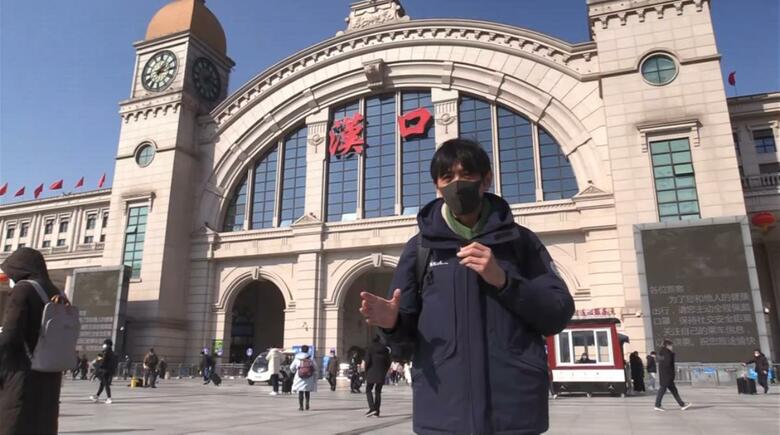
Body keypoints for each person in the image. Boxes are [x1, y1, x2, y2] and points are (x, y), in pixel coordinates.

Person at [359, 138, 574, 434]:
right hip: (443, 415)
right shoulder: (420, 249)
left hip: (514, 416)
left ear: (486, 179)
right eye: (448, 177)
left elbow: (557, 313)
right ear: (437, 186)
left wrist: (504, 281)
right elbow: (405, 347)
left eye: (467, 175)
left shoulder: (520, 242)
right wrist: (392, 323)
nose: (457, 184)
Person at [0, 248, 67, 434]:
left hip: (22, 374)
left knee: (15, 423)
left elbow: (10, 337)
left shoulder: (23, 289)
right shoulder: (55, 291)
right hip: (49, 373)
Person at [654, 340, 692, 411]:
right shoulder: (667, 353)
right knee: (663, 389)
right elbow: (668, 364)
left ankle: (682, 404)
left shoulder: (661, 353)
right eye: (671, 345)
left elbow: (662, 363)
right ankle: (657, 405)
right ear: (668, 345)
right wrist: (671, 374)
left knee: (673, 390)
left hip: (664, 375)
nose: (672, 347)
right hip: (667, 375)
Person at [364, 336, 392, 417]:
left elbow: (367, 361)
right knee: (378, 391)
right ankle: (377, 411)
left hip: (371, 373)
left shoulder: (370, 348)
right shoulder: (385, 350)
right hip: (381, 373)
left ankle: (372, 408)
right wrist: (384, 371)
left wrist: (366, 371)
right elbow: (388, 362)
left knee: (368, 390)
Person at [290, 345, 318, 411]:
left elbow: (291, 367)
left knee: (300, 391)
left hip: (299, 377)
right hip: (309, 377)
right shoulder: (310, 358)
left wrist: (295, 371)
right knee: (307, 391)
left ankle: (301, 406)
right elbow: (315, 367)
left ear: (301, 350)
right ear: (308, 350)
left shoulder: (297, 358)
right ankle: (307, 405)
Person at [90, 339, 116, 404]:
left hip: (104, 370)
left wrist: (95, 364)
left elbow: (102, 362)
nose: (103, 345)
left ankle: (109, 398)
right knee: (102, 384)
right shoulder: (112, 353)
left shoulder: (105, 352)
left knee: (106, 384)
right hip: (108, 370)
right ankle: (97, 396)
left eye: (104, 344)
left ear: (107, 345)